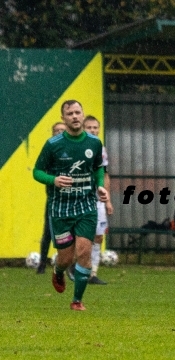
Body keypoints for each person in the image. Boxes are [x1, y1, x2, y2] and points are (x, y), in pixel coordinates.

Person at [33, 99, 108, 311]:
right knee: (65, 258)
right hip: (61, 209)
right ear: (63, 118)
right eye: (70, 114)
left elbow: (98, 167)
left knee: (84, 251)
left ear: (83, 115)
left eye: (78, 112)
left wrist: (100, 186)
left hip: (86, 206)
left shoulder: (94, 143)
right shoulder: (53, 145)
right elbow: (37, 171)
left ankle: (77, 301)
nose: (75, 116)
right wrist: (53, 180)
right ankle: (58, 271)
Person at [81, 115, 114, 284]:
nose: (93, 130)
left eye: (95, 127)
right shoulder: (79, 146)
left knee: (98, 236)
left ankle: (92, 273)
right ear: (83, 128)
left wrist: (107, 199)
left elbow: (105, 175)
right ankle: (78, 268)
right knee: (81, 236)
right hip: (80, 198)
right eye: (89, 127)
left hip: (97, 199)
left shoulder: (101, 149)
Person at [36, 122, 67, 274]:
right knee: (48, 232)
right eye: (57, 130)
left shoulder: (73, 149)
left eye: (62, 130)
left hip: (73, 199)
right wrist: (53, 180)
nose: (59, 132)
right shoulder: (50, 150)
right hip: (54, 199)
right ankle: (42, 263)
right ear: (52, 133)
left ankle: (71, 265)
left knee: (72, 233)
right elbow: (38, 172)